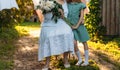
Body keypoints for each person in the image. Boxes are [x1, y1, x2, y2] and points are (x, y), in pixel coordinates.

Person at [32, 0, 74, 70]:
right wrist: (50, 10)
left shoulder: (67, 2)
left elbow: (66, 15)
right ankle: (47, 63)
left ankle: (65, 59)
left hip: (62, 22)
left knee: (67, 33)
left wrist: (62, 13)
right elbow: (45, 16)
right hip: (49, 22)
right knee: (48, 36)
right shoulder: (49, 2)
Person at [67, 0, 90, 66]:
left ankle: (86, 61)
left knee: (84, 42)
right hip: (71, 26)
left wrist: (77, 25)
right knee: (74, 43)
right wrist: (70, 25)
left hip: (79, 25)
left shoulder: (80, 4)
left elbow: (82, 16)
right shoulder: (67, 5)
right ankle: (79, 59)